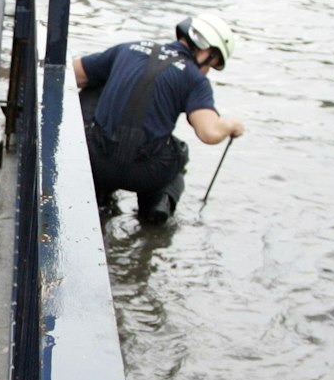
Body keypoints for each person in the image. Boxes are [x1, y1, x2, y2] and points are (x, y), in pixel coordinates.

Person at [73, 14, 246, 225]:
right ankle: (157, 205)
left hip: (94, 159)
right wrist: (231, 125)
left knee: (95, 83)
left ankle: (98, 193)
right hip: (146, 173)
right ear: (205, 51)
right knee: (180, 152)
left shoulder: (127, 49)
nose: (208, 71)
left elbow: (72, 74)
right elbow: (209, 133)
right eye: (212, 63)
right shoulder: (195, 79)